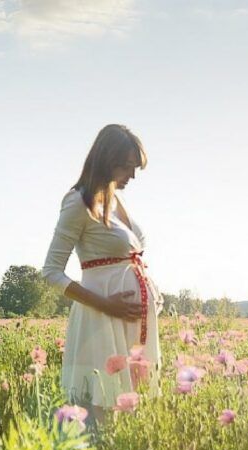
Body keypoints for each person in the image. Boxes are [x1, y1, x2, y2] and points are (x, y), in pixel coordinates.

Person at [41, 124, 164, 426]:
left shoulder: (114, 200)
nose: (132, 176)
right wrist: (107, 305)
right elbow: (51, 272)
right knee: (101, 410)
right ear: (107, 160)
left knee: (131, 409)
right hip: (102, 319)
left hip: (129, 321)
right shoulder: (77, 202)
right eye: (127, 167)